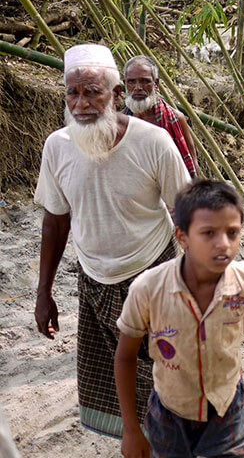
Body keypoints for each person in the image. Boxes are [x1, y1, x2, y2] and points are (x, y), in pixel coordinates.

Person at [33, 44, 191, 438]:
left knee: (168, 375)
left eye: (92, 92)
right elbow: (55, 221)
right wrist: (43, 292)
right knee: (115, 385)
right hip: (93, 280)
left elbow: (187, 214)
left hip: (154, 274)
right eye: (73, 93)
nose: (81, 103)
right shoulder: (57, 147)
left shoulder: (153, 141)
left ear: (116, 95)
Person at [115, 179, 244, 458]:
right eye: (208, 233)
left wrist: (240, 326)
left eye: (232, 232)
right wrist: (131, 429)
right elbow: (125, 357)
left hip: (227, 406)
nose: (223, 244)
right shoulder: (149, 289)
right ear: (182, 237)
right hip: (170, 409)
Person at [122, 55, 198, 178]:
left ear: (156, 84)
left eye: (145, 81)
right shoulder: (120, 122)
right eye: (132, 81)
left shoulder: (176, 119)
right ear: (125, 84)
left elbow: (192, 167)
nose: (138, 88)